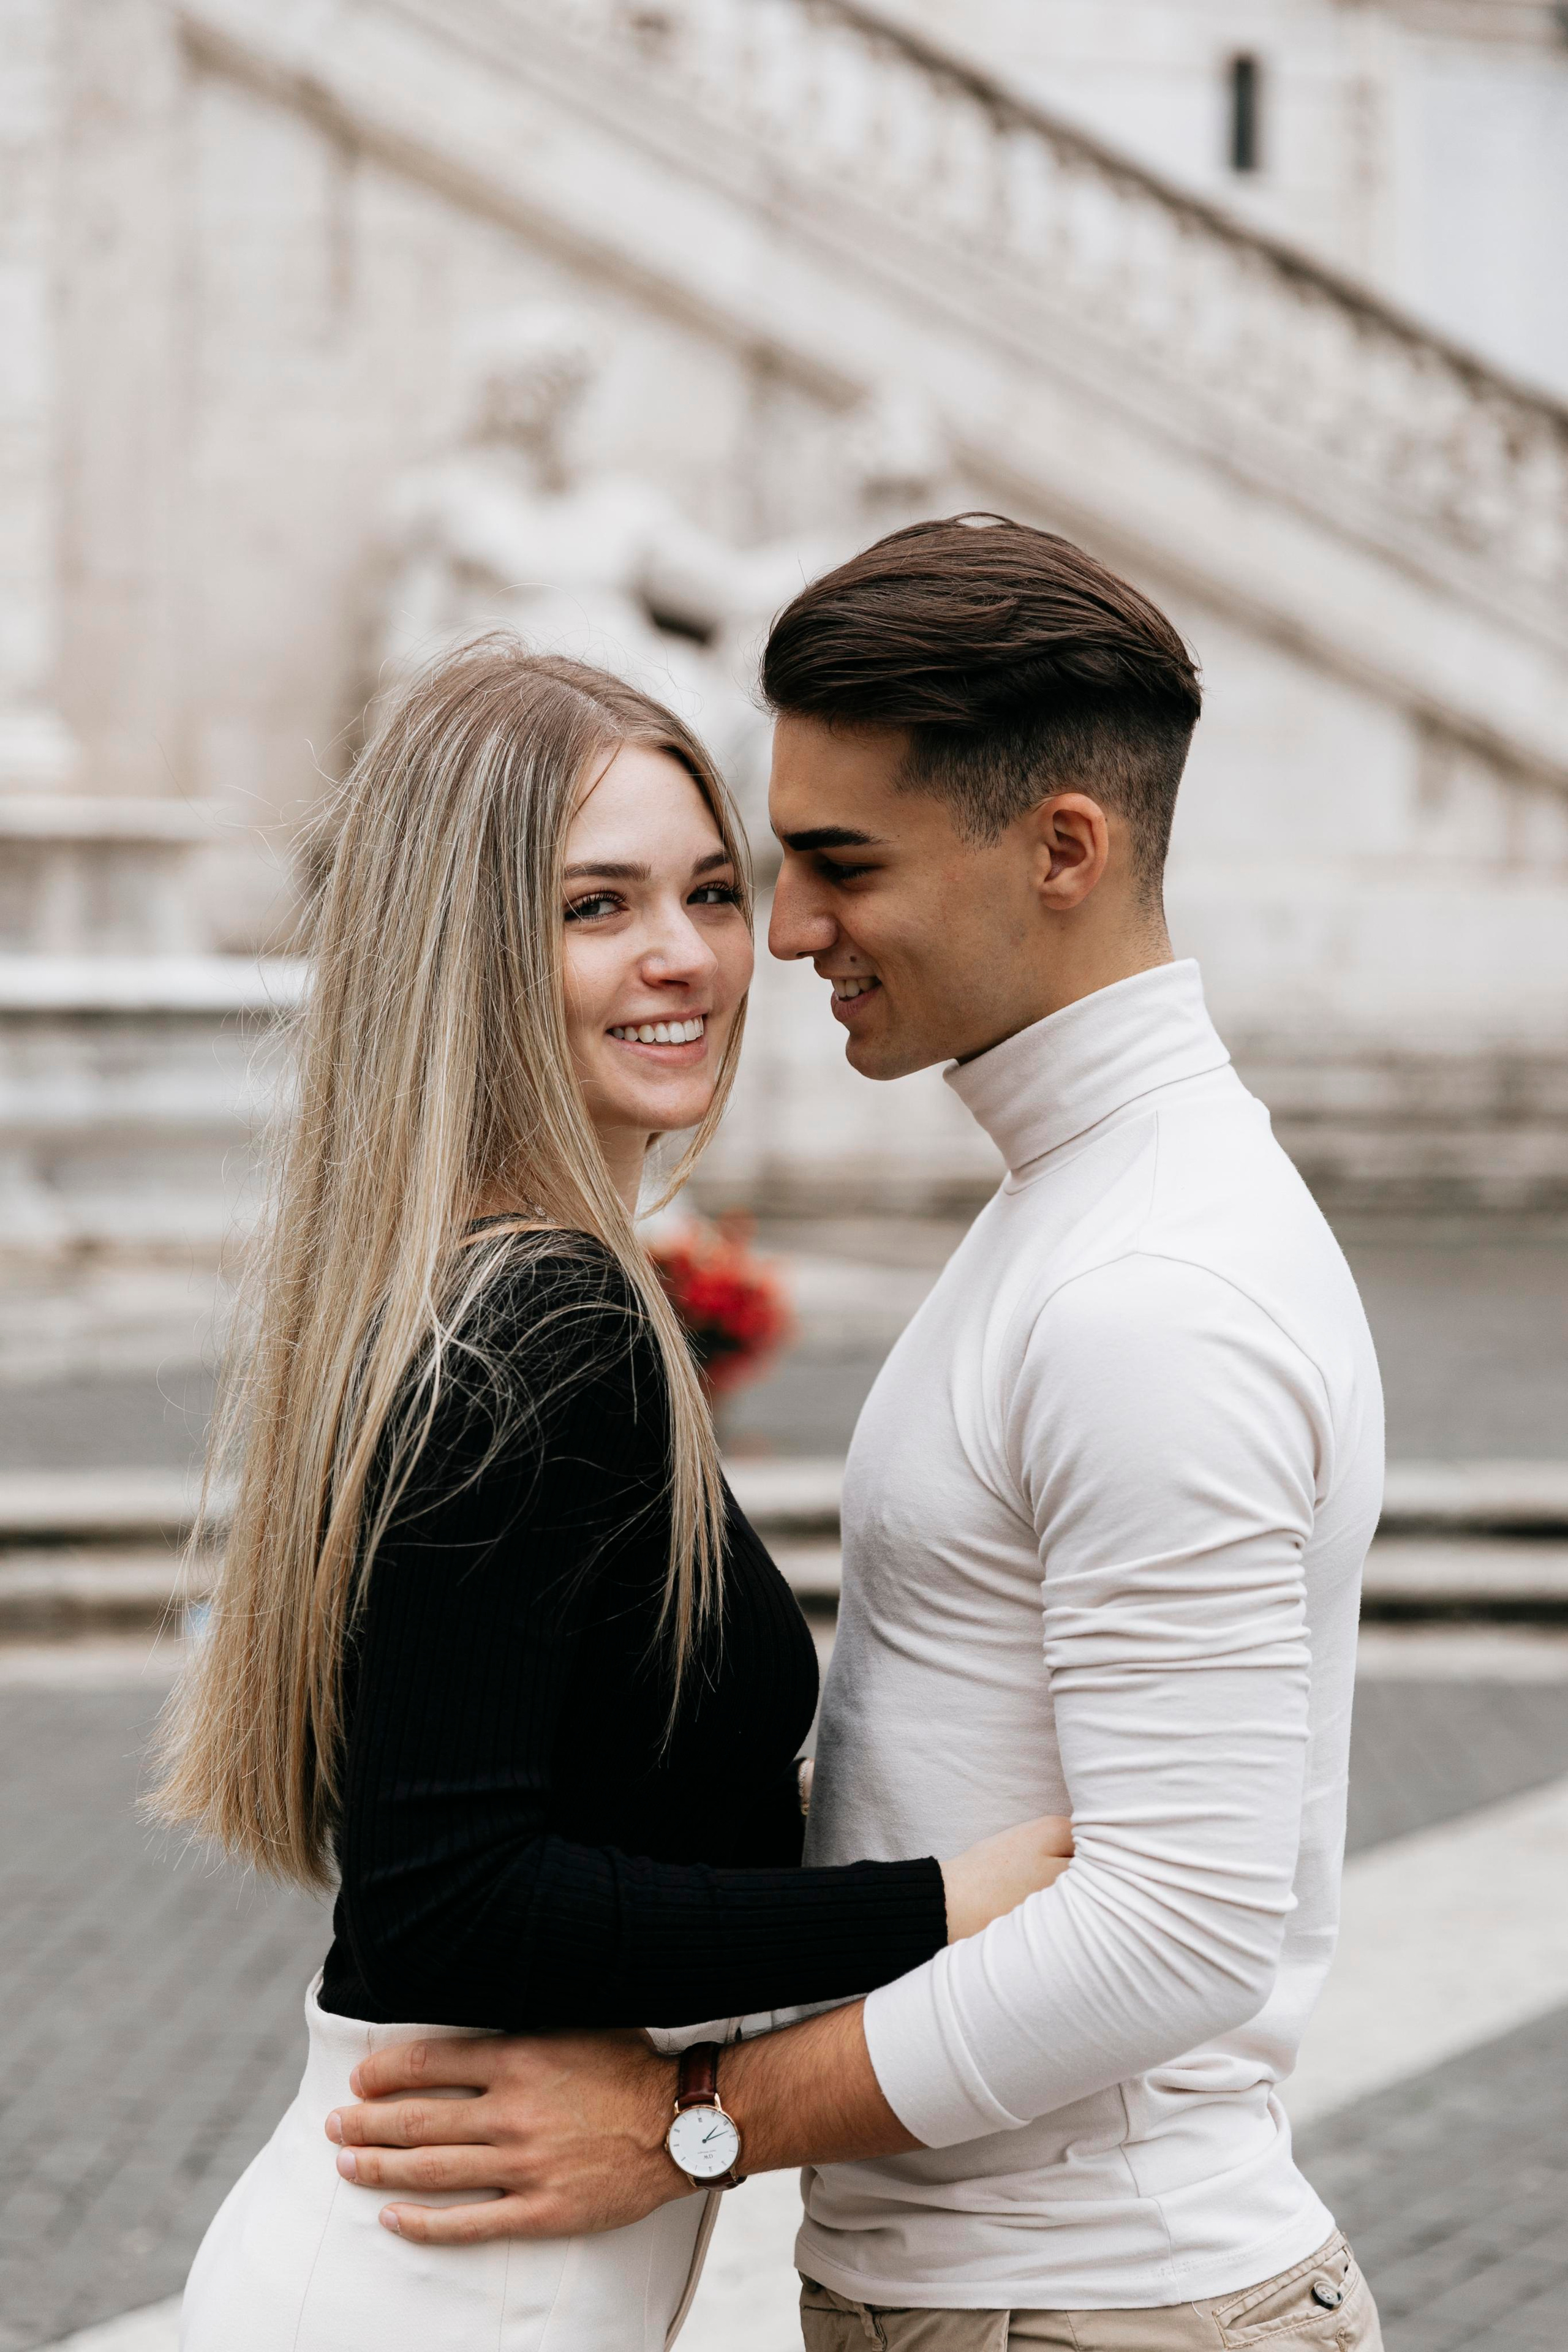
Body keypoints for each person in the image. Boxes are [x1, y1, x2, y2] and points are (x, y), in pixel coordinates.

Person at [322, 521, 1387, 2351]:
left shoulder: (1147, 1284)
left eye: (830, 864)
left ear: (1064, 848)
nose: (783, 931)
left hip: (1098, 2307)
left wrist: (691, 2129)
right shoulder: (1071, 1215)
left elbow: (1177, 1930)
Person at [151, 639, 1075, 2351]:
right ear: (471, 951)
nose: (687, 957)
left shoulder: (491, 1283)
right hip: (446, 2289)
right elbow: (454, 1895)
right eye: (597, 907)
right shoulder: (545, 1328)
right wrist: (944, 1906)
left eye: (713, 890)